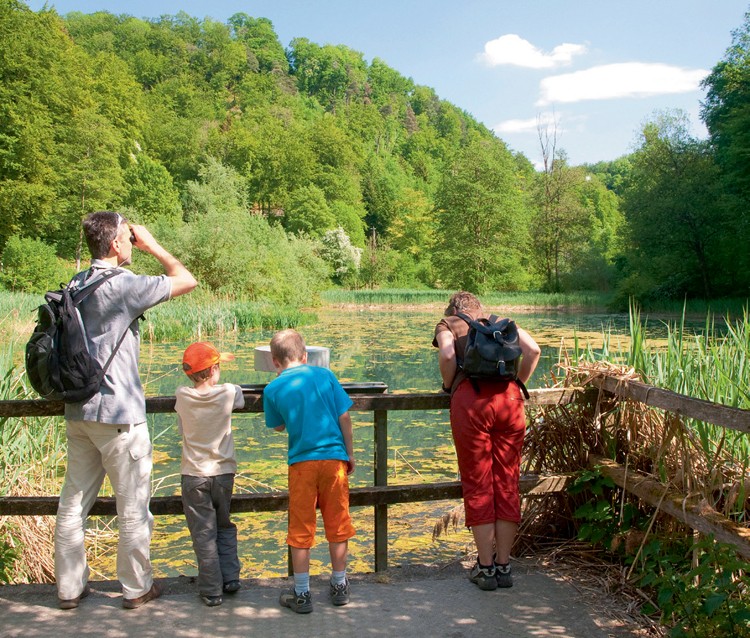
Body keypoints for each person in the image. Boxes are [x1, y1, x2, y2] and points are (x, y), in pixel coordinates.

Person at [54, 211, 197, 610]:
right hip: (119, 417)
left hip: (78, 411)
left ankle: (68, 589)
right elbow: (187, 280)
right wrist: (151, 245)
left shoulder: (77, 283)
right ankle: (136, 589)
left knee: (73, 505)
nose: (132, 243)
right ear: (117, 244)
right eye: (128, 238)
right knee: (133, 508)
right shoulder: (123, 286)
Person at [433, 291, 541, 591]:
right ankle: (504, 565)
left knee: (478, 482)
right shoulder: (501, 323)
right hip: (510, 402)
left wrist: (447, 385)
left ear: (452, 309)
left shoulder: (449, 324)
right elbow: (533, 350)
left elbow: (447, 355)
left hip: (471, 403)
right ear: (480, 309)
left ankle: (485, 568)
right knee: (507, 481)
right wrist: (519, 384)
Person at [263, 329, 356, 614]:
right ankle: (339, 585)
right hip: (334, 461)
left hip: (302, 464)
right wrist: (349, 454)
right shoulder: (325, 376)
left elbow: (278, 425)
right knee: (338, 522)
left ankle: (302, 593)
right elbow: (344, 416)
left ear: (275, 362)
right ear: (305, 356)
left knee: (301, 526)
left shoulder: (272, 389)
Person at [175, 342, 245, 607]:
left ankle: (211, 590)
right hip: (224, 472)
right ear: (214, 369)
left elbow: (182, 430)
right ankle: (230, 579)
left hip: (194, 475)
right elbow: (239, 396)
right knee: (224, 525)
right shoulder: (227, 392)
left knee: (203, 532)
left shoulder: (183, 395)